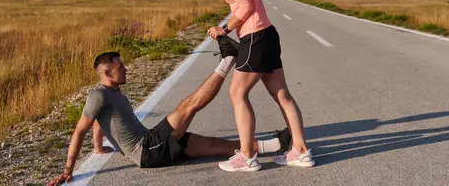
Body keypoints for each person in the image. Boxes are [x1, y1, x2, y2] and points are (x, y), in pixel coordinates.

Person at [47, 42, 291, 185]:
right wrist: (69, 169)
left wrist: (99, 147)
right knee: (189, 105)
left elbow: (100, 121)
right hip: (148, 149)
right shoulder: (98, 95)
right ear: (107, 74)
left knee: (224, 146)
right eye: (120, 67)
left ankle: (277, 144)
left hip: (156, 147)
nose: (125, 69)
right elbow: (81, 129)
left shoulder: (114, 94)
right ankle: (229, 58)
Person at [185, 0, 314, 172]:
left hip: (256, 37)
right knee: (282, 95)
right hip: (266, 34)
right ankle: (301, 151)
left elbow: (245, 5)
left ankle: (246, 156)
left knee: (237, 93)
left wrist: (224, 29)